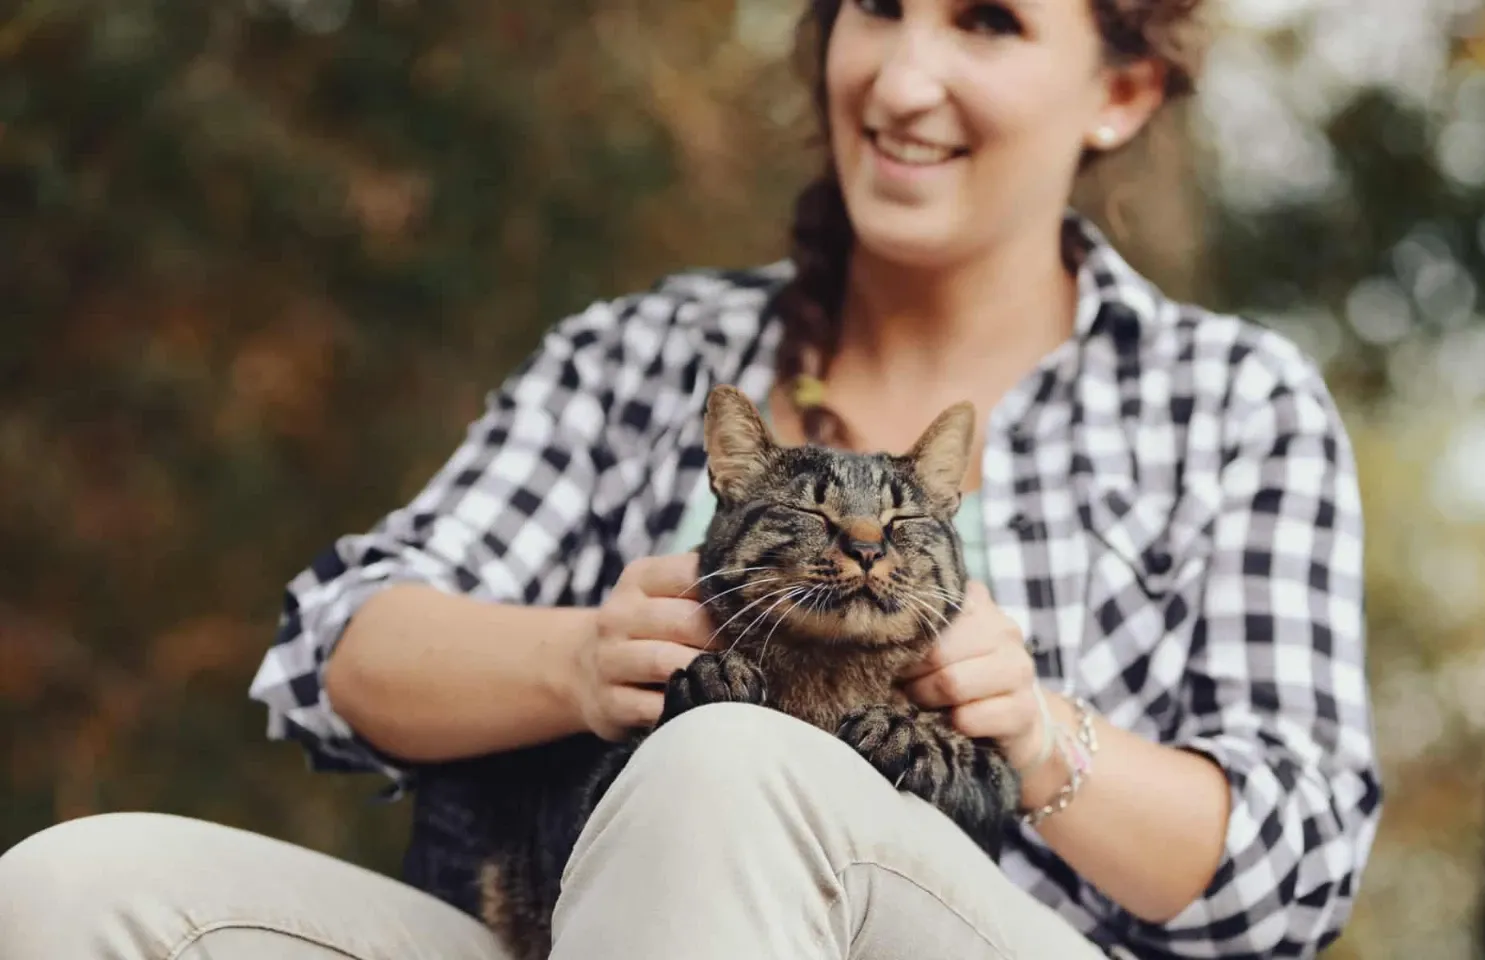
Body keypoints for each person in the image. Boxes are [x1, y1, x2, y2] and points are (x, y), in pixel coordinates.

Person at [0, 0, 1382, 955]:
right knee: (81, 893)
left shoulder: (1224, 403)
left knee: (727, 765)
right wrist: (581, 658)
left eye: (988, 20)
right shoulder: (646, 354)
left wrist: (1037, 736)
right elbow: (337, 651)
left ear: (1123, 90)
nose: (903, 79)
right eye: (876, 6)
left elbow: (1296, 873)